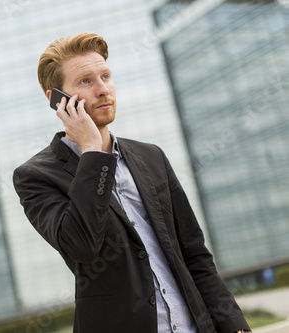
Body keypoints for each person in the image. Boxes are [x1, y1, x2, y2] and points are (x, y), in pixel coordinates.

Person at [13, 33, 252, 333]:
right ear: (57, 100)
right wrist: (92, 154)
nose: (103, 90)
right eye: (86, 81)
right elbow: (82, 247)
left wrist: (235, 327)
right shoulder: (35, 176)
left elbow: (194, 253)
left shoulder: (151, 156)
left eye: (106, 76)